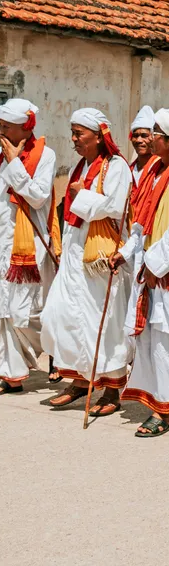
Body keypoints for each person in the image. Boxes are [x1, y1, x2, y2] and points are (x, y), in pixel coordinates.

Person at [112, 108, 169, 437]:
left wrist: (156, 266)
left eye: (155, 133)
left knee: (165, 338)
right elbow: (141, 223)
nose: (148, 138)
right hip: (149, 266)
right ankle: (162, 395)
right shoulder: (152, 171)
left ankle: (164, 410)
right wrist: (124, 254)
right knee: (147, 337)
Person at [42, 109, 132, 416]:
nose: (74, 139)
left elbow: (115, 207)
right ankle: (80, 380)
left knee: (102, 322)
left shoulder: (117, 166)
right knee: (65, 315)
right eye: (73, 132)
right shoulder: (82, 164)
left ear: (98, 135)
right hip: (73, 253)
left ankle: (111, 389)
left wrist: (83, 194)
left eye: (79, 133)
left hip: (98, 256)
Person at [0, 99, 59, 394]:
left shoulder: (44, 155)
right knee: (3, 312)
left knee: (24, 313)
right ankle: (10, 374)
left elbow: (37, 197)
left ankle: (58, 351)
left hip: (27, 246)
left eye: (5, 126)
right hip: (2, 243)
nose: (0, 130)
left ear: (24, 128)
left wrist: (13, 162)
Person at [129, 105, 156, 186]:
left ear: (153, 138)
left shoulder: (159, 169)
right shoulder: (129, 169)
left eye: (144, 135)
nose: (138, 140)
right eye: (135, 135)